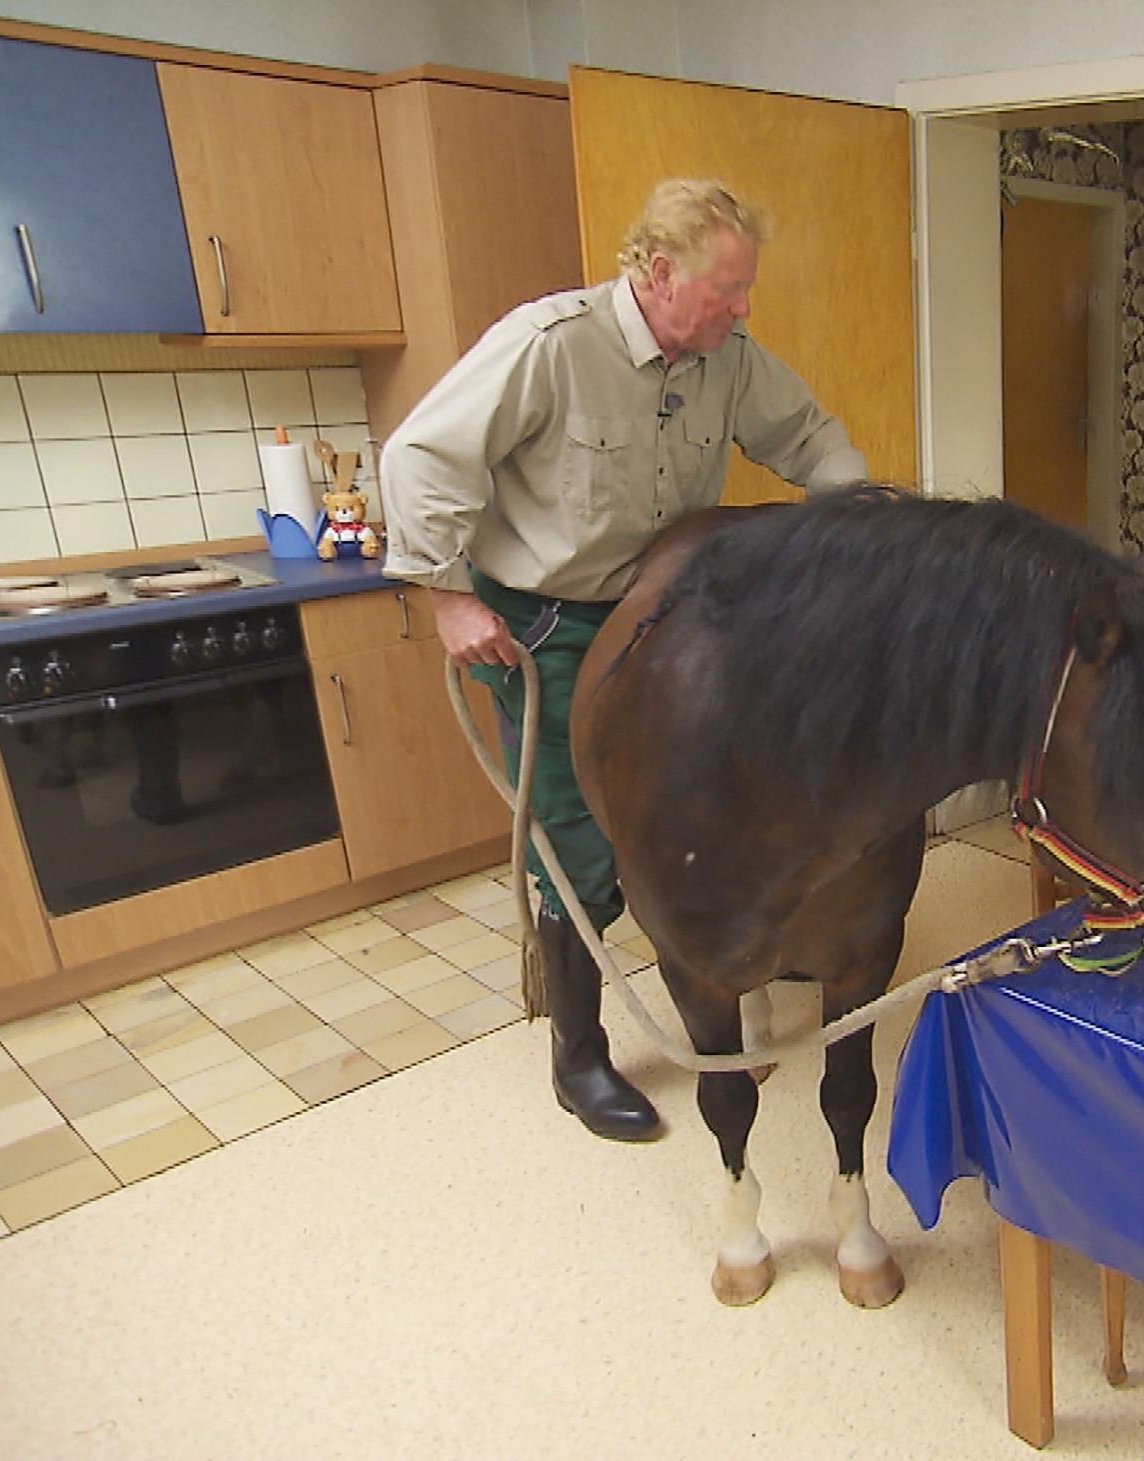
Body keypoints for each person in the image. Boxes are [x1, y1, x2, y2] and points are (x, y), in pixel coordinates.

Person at [380, 178, 868, 1142]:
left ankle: (752, 958)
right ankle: (579, 1055)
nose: (743, 308)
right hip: (552, 627)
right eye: (727, 289)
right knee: (579, 841)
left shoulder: (728, 360)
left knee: (721, 804)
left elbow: (810, 438)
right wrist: (446, 598)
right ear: (659, 271)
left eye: (744, 291)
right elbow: (421, 457)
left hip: (675, 612)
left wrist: (858, 520)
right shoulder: (549, 346)